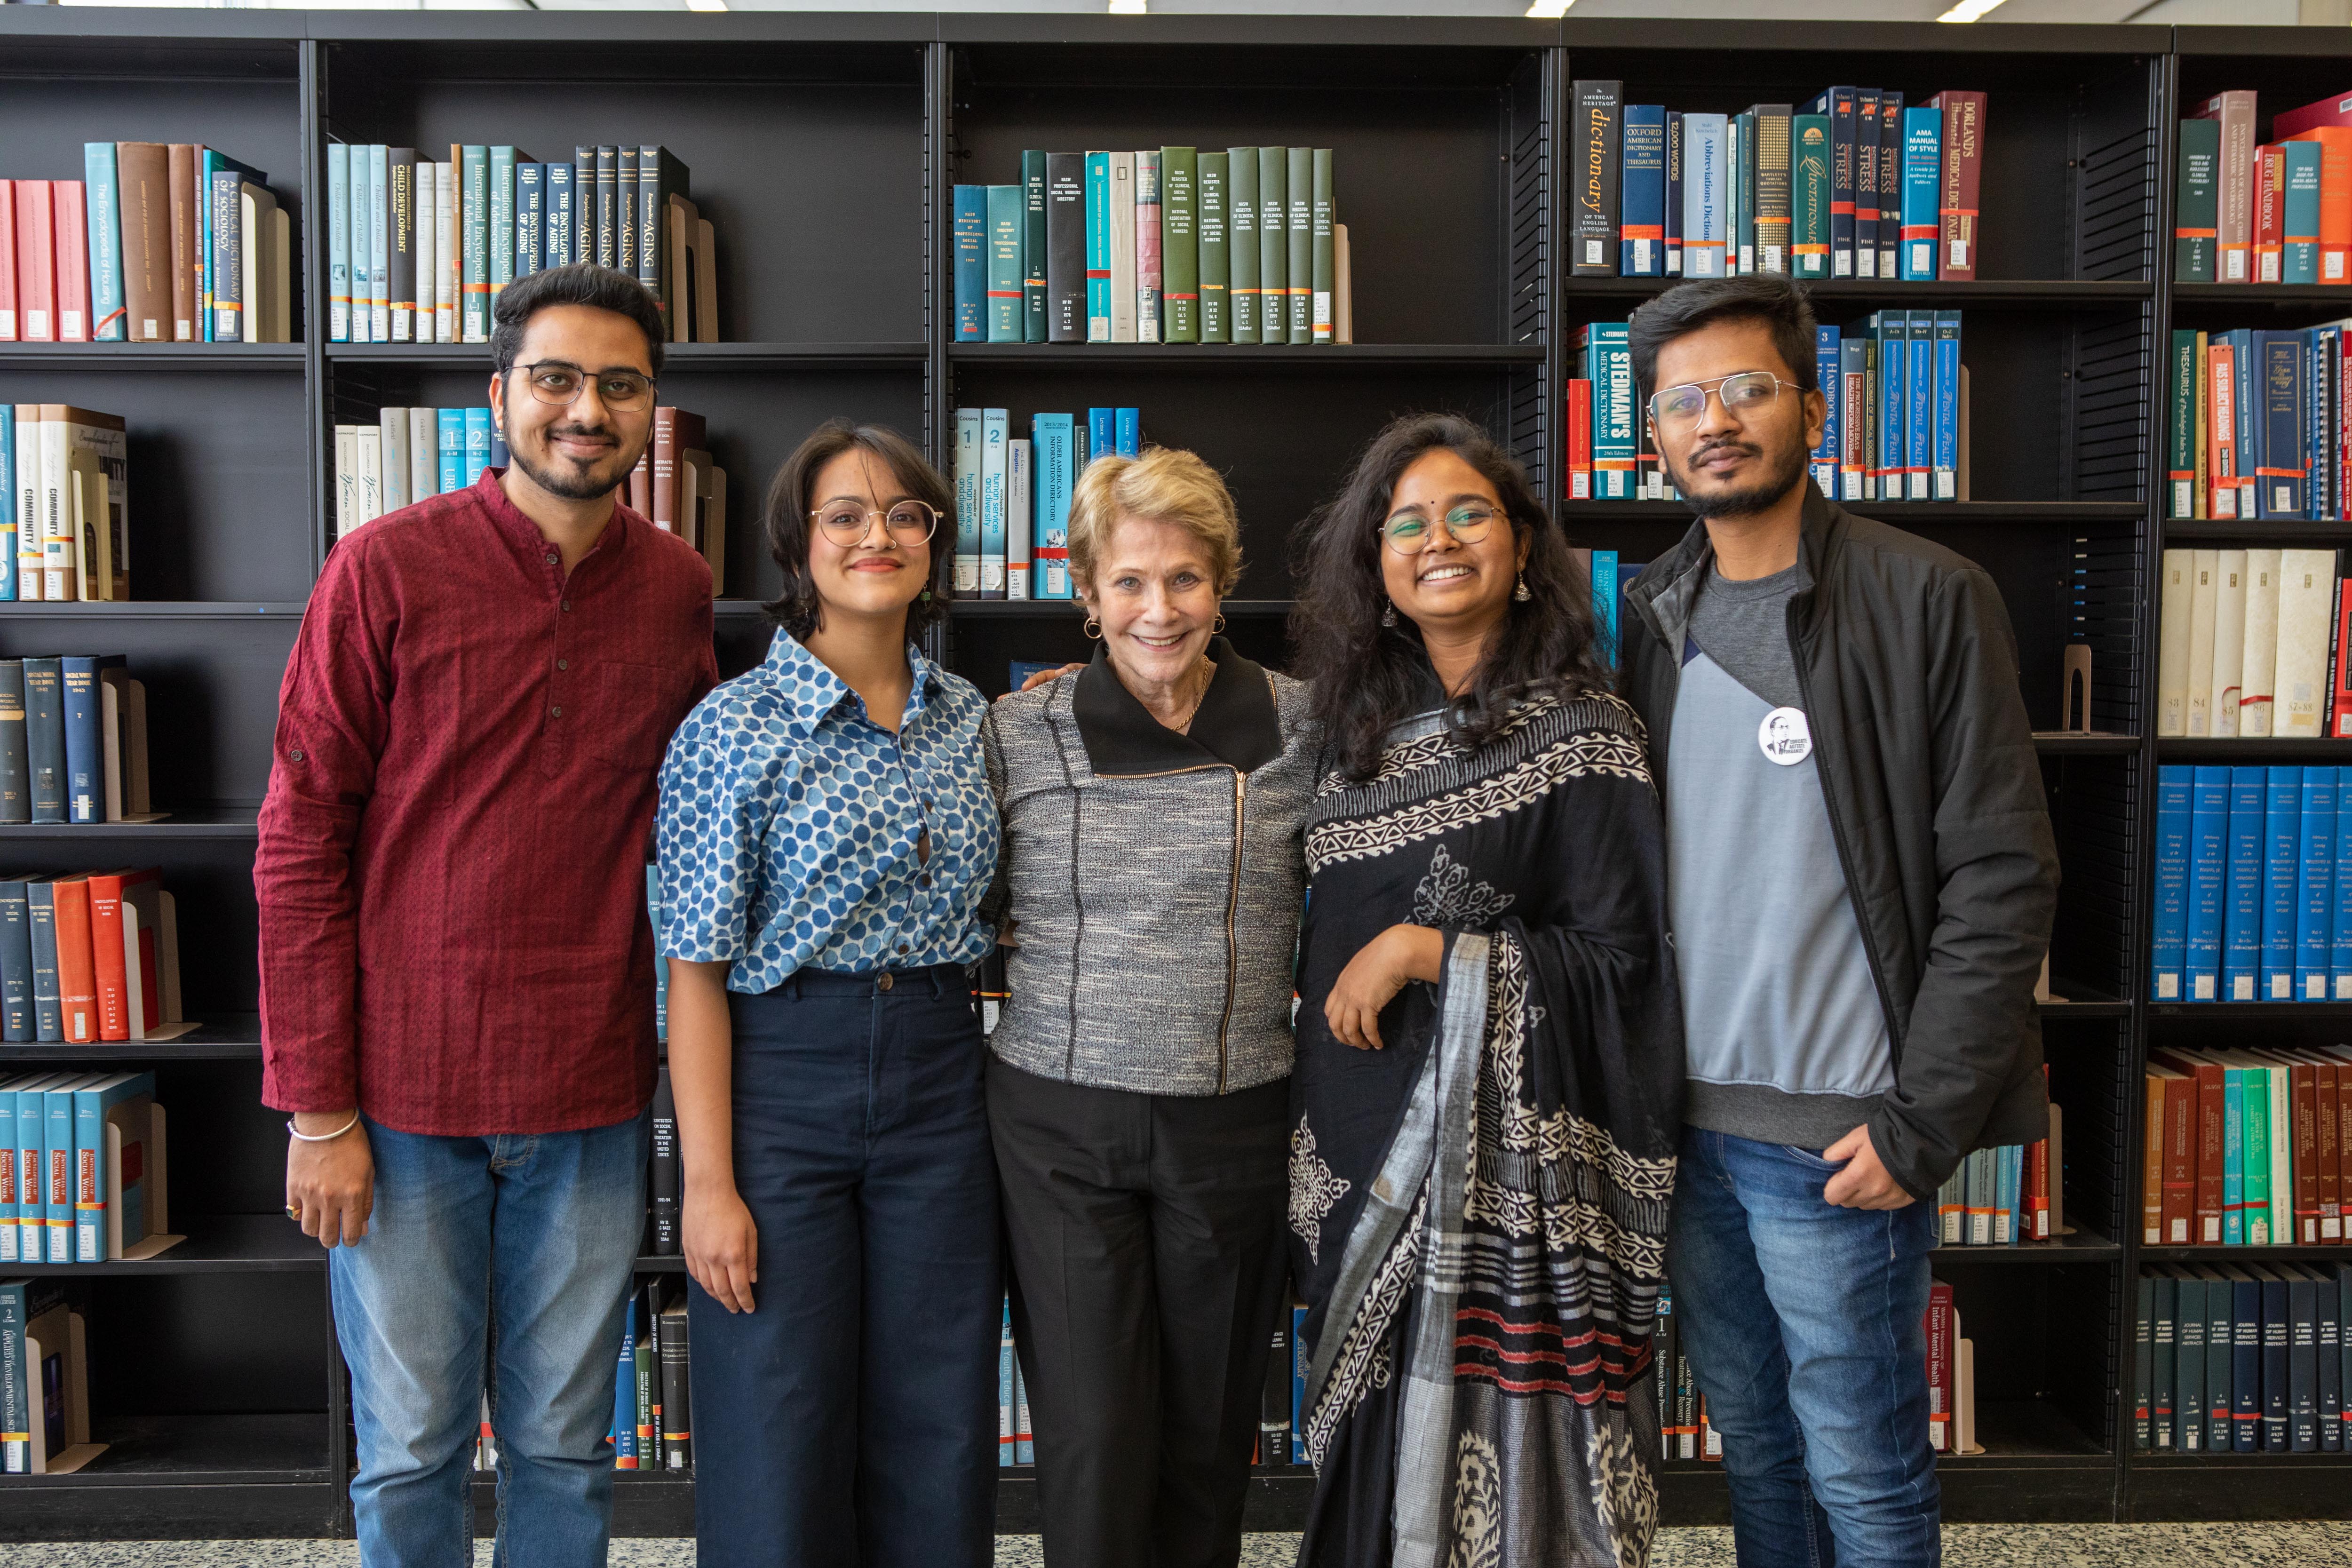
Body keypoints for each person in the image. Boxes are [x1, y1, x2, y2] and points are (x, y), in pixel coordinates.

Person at [259, 262, 717, 1566]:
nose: (588, 408)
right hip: (397, 1102)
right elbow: (299, 844)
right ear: (499, 394)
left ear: (650, 411)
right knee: (409, 1441)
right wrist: (319, 1109)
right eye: (558, 378)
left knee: (568, 1441)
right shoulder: (384, 568)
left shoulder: (678, 587)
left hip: (589, 1087)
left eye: (620, 384)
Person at [1619, 273, 2058, 1568]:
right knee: (1753, 1440)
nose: (1717, 419)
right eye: (1683, 400)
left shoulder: (1930, 595)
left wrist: (1924, 1118)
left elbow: (2003, 875)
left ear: (1813, 407)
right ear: (1654, 435)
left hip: (1840, 1137)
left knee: (1863, 1463)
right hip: (1687, 1122)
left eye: (1748, 387)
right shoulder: (1653, 611)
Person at [1287, 413, 1683, 1568]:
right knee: (1365, 1447)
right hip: (1351, 1143)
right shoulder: (1344, 737)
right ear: (1376, 564)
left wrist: (1431, 952)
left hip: (1518, 1177)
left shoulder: (1584, 732)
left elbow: (1627, 967)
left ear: (1519, 546)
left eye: (1468, 513)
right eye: (1404, 522)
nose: (1437, 538)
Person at [656, 420, 1001, 1568]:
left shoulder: (971, 722)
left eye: (906, 514)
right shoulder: (731, 727)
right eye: (844, 515)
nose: (878, 535)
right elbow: (693, 969)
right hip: (782, 1077)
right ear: (798, 548)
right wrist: (709, 1184)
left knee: (937, 1406)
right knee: (778, 1408)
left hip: (943, 1070)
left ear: (934, 540)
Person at [981, 446, 1322, 1568]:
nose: (1157, 609)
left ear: (1221, 585)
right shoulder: (1016, 731)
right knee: (1091, 1437)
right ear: (1087, 595)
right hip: (1059, 1126)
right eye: (1127, 581)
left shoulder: (1304, 727)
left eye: (1183, 578)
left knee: (1209, 1434)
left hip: (1231, 1119)